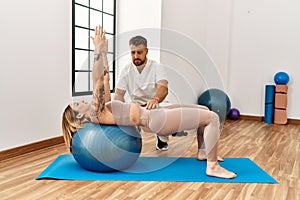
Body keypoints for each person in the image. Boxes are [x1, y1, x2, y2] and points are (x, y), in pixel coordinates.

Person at [62, 26, 236, 179]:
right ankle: (212, 166)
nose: (81, 101)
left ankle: (203, 152)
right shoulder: (96, 113)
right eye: (77, 105)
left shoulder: (102, 109)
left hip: (154, 112)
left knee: (203, 108)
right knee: (212, 118)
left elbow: (105, 79)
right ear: (79, 117)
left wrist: (104, 53)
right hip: (157, 120)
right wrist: (97, 50)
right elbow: (98, 81)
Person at [114, 35, 171, 151]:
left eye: (139, 52)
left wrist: (155, 99)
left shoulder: (157, 67)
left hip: (155, 103)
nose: (136, 56)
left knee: (164, 119)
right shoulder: (126, 70)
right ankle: (134, 135)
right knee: (127, 116)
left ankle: (162, 138)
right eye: (133, 53)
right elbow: (119, 94)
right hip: (136, 105)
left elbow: (163, 89)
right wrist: (117, 109)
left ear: (146, 51)